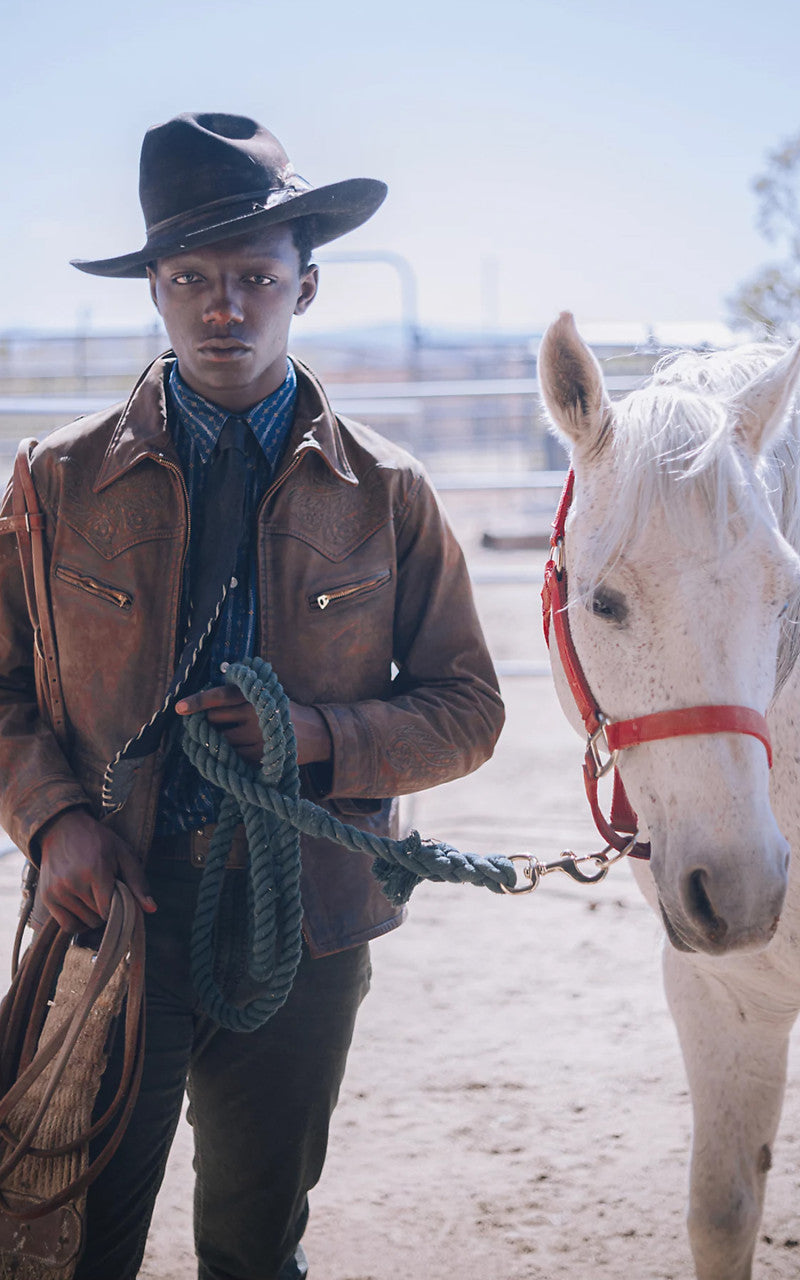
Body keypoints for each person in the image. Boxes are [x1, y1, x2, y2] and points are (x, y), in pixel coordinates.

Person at [0, 112, 504, 1279]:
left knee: (253, 1239)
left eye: (252, 278)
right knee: (61, 1232)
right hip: (112, 904)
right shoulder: (55, 481)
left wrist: (316, 734)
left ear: (304, 287)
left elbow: (468, 707)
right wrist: (53, 817)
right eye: (191, 279)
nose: (223, 306)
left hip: (306, 920)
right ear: (157, 291)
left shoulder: (388, 490)